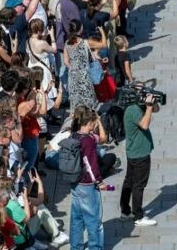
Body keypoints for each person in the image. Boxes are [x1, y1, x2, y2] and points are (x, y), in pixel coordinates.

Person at [69, 107, 108, 250]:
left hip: (75, 183)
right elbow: (90, 164)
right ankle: (95, 247)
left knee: (77, 219)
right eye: (94, 123)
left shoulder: (74, 135)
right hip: (87, 184)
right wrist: (98, 181)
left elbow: (102, 139)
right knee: (94, 220)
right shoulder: (87, 141)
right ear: (90, 122)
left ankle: (76, 247)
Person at [120, 91, 158, 226]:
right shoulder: (134, 110)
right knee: (138, 185)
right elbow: (145, 125)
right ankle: (138, 216)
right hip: (140, 154)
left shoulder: (134, 107)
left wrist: (152, 104)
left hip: (133, 152)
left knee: (129, 181)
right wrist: (148, 108)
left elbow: (156, 110)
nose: (143, 93)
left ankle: (125, 211)